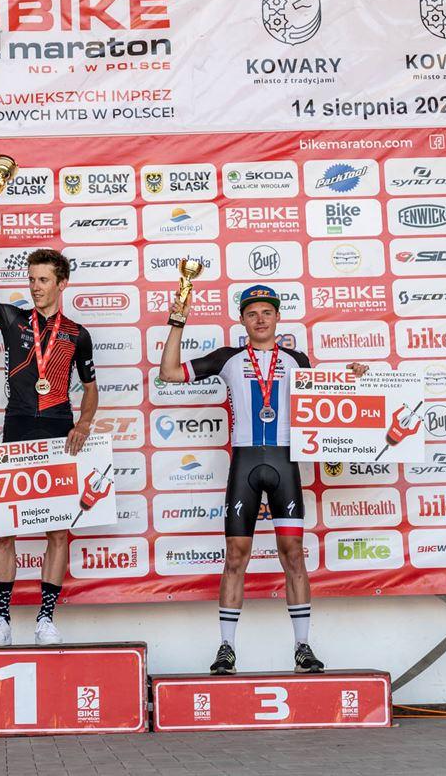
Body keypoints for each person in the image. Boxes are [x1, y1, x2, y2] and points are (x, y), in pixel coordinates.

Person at [158, 283, 367, 675]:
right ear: (242, 320)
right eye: (252, 313)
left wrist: (355, 378)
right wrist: (177, 321)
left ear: (277, 317)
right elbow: (168, 373)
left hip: (286, 463)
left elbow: (328, 403)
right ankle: (226, 648)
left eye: (267, 312)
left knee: (293, 555)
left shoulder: (297, 360)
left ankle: (303, 647)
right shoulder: (228, 358)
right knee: (236, 556)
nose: (260, 320)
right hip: (246, 464)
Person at [0, 215, 98, 645]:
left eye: (44, 280)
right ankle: (2, 621)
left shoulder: (77, 334)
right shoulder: (12, 318)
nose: (35, 286)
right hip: (16, 429)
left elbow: (90, 389)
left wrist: (84, 422)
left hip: (58, 430)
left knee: (58, 531)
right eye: (31, 279)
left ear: (62, 283)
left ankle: (45, 620)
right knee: (5, 529)